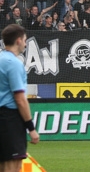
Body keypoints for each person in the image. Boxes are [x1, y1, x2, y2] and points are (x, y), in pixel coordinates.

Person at [0, 25, 39, 171]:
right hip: (9, 120)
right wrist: (31, 128)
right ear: (18, 41)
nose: (25, 43)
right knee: (12, 167)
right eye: (24, 40)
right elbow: (20, 99)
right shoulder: (14, 63)